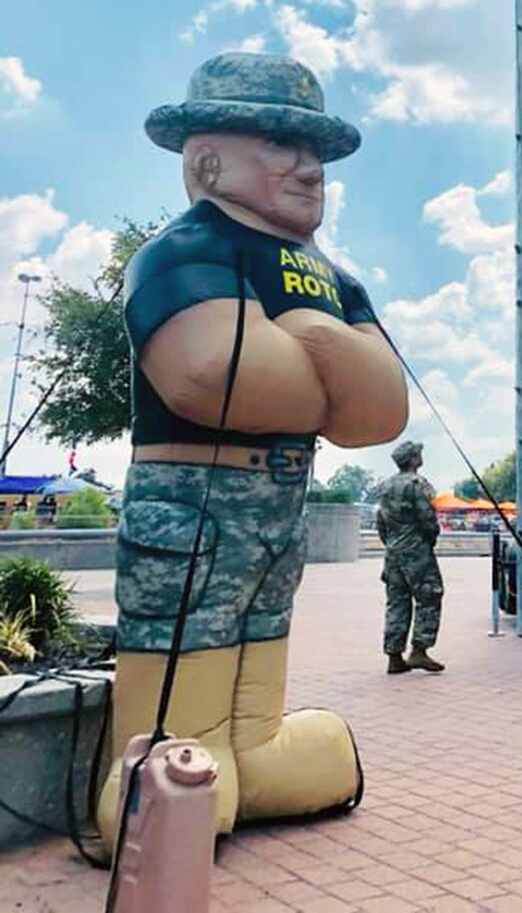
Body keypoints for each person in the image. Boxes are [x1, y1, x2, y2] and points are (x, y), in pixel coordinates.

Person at [97, 52, 409, 847]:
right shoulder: (183, 252)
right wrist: (327, 350)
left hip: (278, 511)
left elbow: (379, 414)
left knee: (260, 647)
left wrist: (301, 339)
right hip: (193, 510)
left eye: (314, 151)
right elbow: (215, 374)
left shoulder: (331, 278)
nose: (307, 168)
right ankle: (171, 784)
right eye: (278, 144)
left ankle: (253, 759)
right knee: (190, 650)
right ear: (205, 158)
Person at [375, 441, 445, 674]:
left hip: (393, 552)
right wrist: (429, 540)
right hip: (416, 551)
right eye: (419, 454)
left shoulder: (385, 486)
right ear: (413, 459)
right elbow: (428, 520)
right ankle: (419, 650)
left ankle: (394, 656)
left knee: (397, 601)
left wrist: (391, 543)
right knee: (430, 595)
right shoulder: (418, 484)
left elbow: (381, 522)